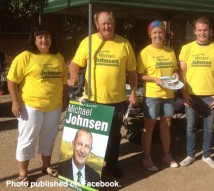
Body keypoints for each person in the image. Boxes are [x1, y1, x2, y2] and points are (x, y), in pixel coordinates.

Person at [67, 11, 137, 178]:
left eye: (110, 23)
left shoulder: (124, 44)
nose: (107, 26)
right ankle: (91, 170)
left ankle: (112, 165)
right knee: (92, 138)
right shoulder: (88, 42)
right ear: (97, 24)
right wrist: (74, 76)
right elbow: (75, 63)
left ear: (114, 24)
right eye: (104, 23)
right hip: (93, 99)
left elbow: (132, 71)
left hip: (117, 100)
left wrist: (133, 91)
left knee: (114, 136)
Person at [7, 26, 68, 185]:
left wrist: (65, 99)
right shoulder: (25, 57)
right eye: (40, 37)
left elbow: (63, 81)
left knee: (48, 138)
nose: (44, 40)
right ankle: (22, 173)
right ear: (34, 40)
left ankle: (46, 166)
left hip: (54, 106)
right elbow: (12, 80)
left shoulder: (58, 57)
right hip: (30, 106)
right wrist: (14, 102)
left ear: (51, 39)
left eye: (47, 37)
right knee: (27, 139)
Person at [178, 17, 214, 169]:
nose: (202, 33)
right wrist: (184, 93)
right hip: (191, 95)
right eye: (199, 30)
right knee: (190, 127)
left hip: (211, 96)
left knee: (209, 128)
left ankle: (206, 155)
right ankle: (190, 155)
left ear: (210, 31)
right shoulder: (186, 48)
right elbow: (182, 74)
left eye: (205, 30)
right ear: (194, 31)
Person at [137, 20, 179, 171]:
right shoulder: (145, 52)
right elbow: (139, 75)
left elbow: (175, 69)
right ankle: (146, 158)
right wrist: (153, 79)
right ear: (150, 34)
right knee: (149, 127)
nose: (158, 35)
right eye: (154, 32)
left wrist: (175, 74)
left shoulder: (170, 51)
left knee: (166, 126)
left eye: (160, 32)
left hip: (168, 94)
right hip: (152, 95)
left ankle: (166, 155)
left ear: (164, 34)